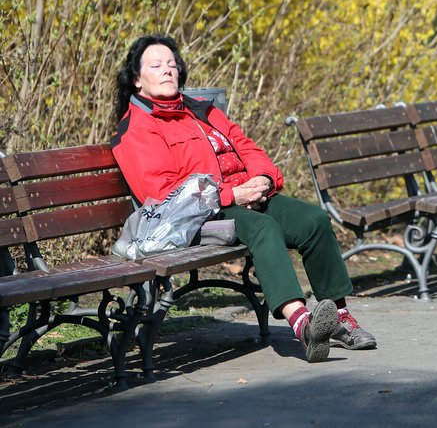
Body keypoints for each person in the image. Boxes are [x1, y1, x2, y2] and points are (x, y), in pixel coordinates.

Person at [111, 35, 377, 361]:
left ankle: (339, 317)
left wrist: (264, 178)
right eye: (156, 66)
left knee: (313, 220)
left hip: (248, 195)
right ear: (137, 79)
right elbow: (163, 194)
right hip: (200, 217)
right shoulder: (137, 129)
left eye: (171, 65)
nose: (167, 71)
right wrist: (230, 194)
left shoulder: (202, 110)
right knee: (263, 228)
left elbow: (247, 146)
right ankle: (303, 324)